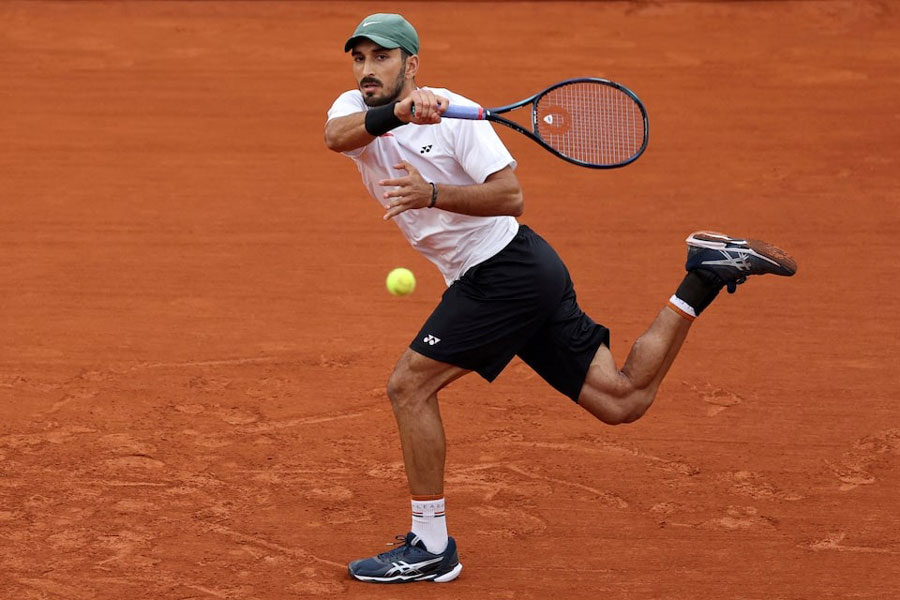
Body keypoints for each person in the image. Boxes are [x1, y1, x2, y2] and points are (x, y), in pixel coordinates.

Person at [324, 13, 796, 584]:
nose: (368, 69)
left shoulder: (455, 116)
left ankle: (430, 545)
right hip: (516, 274)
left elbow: (510, 194)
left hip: (504, 272)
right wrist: (397, 112)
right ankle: (702, 276)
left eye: (382, 57)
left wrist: (433, 192)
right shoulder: (351, 109)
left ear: (412, 64)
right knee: (621, 400)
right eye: (360, 58)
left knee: (409, 385)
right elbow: (336, 138)